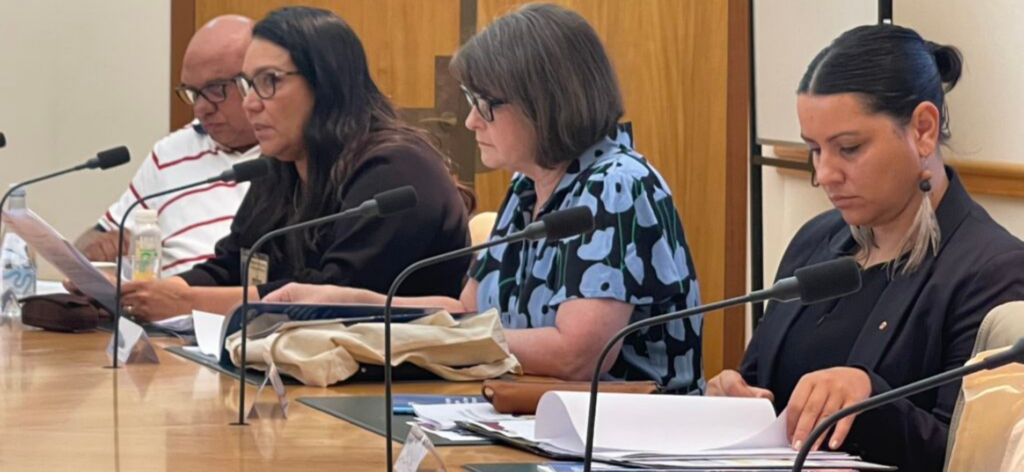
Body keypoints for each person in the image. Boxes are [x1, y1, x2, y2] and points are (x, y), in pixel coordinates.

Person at [265, 3, 703, 391]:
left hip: (627, 435)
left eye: (485, 104)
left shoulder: (616, 186)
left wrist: (425, 339)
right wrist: (346, 304)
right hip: (533, 417)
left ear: (544, 103)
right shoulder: (529, 184)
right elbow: (467, 310)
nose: (472, 121)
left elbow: (576, 355)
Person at [706, 24, 1024, 472]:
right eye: (814, 150)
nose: (825, 174)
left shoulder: (993, 270)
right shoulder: (814, 240)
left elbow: (973, 456)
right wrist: (732, 397)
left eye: (848, 148)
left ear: (923, 129)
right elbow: (760, 384)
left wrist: (871, 400)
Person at [117, 7, 471, 321]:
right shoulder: (282, 166)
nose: (250, 103)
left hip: (400, 371)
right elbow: (233, 264)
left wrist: (185, 302)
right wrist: (147, 295)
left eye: (269, 81)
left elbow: (330, 299)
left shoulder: (395, 168)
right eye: (248, 84)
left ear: (326, 82)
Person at [74, 15, 260, 277]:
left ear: (256, 81)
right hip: (166, 300)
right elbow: (98, 239)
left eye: (215, 89)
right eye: (192, 92)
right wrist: (93, 252)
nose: (201, 108)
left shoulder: (293, 155)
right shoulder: (170, 152)